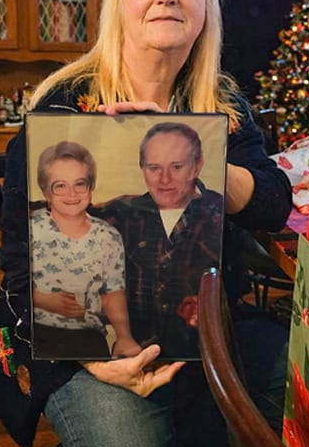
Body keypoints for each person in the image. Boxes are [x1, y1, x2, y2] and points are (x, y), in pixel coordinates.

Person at [0, 0, 292, 447]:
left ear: (207, 3)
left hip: (200, 333)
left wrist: (201, 152)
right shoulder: (62, 110)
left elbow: (274, 203)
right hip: (84, 341)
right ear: (119, 0)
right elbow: (20, 265)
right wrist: (97, 359)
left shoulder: (223, 104)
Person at [93, 121, 223, 359]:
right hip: (136, 352)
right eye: (154, 168)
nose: (164, 179)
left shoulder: (218, 213)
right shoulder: (123, 213)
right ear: (142, 169)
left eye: (177, 167)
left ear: (196, 166)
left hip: (203, 355)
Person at [30, 140, 138, 359]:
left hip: (87, 335)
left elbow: (112, 292)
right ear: (46, 192)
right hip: (38, 331)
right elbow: (12, 286)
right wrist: (45, 300)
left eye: (80, 184)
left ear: (91, 187)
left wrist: (124, 337)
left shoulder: (108, 237)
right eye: (60, 186)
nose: (72, 194)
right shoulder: (31, 230)